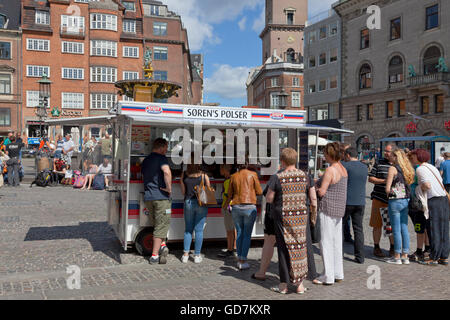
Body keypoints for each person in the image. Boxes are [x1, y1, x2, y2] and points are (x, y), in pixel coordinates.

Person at [265, 148, 314, 294]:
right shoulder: (305, 176)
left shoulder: (277, 177)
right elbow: (312, 197)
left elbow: (269, 198)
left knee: (284, 249)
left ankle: (283, 286)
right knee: (300, 248)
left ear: (282, 161)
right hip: (300, 218)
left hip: (283, 218)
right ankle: (300, 285)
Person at [313, 142, 347, 285]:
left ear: (329, 154)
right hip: (339, 209)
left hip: (327, 209)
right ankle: (338, 273)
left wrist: (315, 186)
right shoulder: (343, 169)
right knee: (336, 242)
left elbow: (322, 191)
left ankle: (328, 276)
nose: (324, 156)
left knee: (326, 242)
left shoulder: (330, 170)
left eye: (325, 153)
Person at [411, 149, 449, 266]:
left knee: (434, 229)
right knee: (443, 229)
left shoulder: (420, 169)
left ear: (418, 157)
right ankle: (443, 256)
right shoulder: (432, 167)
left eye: (413, 157)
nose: (412, 159)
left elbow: (427, 185)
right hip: (443, 199)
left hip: (434, 201)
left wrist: (418, 188)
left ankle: (434, 256)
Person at [228, 158, 263, 270]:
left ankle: (239, 260)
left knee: (239, 233)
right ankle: (243, 260)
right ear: (247, 164)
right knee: (247, 234)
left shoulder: (233, 176)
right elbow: (259, 191)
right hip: (249, 206)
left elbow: (229, 194)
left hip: (236, 206)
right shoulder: (253, 175)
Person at [141, 138, 172, 265]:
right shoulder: (162, 158)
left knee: (157, 224)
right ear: (161, 147)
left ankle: (163, 245)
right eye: (166, 147)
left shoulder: (146, 160)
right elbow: (167, 172)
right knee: (162, 225)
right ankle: (154, 256)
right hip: (161, 197)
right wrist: (169, 188)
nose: (167, 150)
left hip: (149, 197)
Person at [385, 149, 415, 264]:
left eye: (391, 155)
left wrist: (389, 191)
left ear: (395, 157)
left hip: (395, 200)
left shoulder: (393, 168)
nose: (389, 157)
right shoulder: (407, 168)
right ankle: (405, 255)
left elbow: (388, 189)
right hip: (406, 200)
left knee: (396, 229)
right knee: (404, 227)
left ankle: (397, 255)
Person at [180, 160, 211, 264]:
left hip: (188, 202)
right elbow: (209, 190)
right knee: (199, 230)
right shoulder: (203, 175)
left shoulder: (184, 174)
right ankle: (197, 255)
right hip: (201, 203)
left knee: (188, 229)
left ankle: (185, 255)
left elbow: (183, 192)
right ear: (198, 163)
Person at [342, 147, 368, 264]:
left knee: (340, 227)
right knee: (358, 229)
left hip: (347, 202)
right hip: (360, 202)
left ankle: (339, 253)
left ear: (348, 155)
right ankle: (360, 256)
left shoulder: (345, 166)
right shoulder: (364, 167)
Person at [368, 143, 395, 258]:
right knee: (377, 224)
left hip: (392, 200)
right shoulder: (379, 162)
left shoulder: (398, 164)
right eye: (385, 151)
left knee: (390, 225)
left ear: (394, 153)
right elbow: (371, 178)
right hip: (378, 198)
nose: (385, 153)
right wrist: (384, 181)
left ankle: (393, 247)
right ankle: (376, 247)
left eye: (388, 151)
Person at [407, 151, 431, 262]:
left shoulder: (417, 169)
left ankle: (419, 250)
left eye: (411, 158)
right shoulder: (426, 168)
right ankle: (427, 249)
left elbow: (417, 184)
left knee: (419, 228)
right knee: (424, 227)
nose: (410, 160)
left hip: (417, 202)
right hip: (422, 202)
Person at [217, 164, 237, 258]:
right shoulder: (234, 179)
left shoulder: (228, 181)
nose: (220, 170)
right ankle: (234, 247)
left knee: (229, 230)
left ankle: (230, 250)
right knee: (233, 229)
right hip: (233, 207)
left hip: (228, 207)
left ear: (225, 170)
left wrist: (224, 206)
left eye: (221, 168)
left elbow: (229, 195)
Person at [340, 143, 353, 244]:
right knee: (344, 219)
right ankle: (344, 235)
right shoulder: (340, 163)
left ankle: (347, 236)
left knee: (347, 219)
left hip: (349, 195)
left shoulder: (345, 164)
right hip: (342, 195)